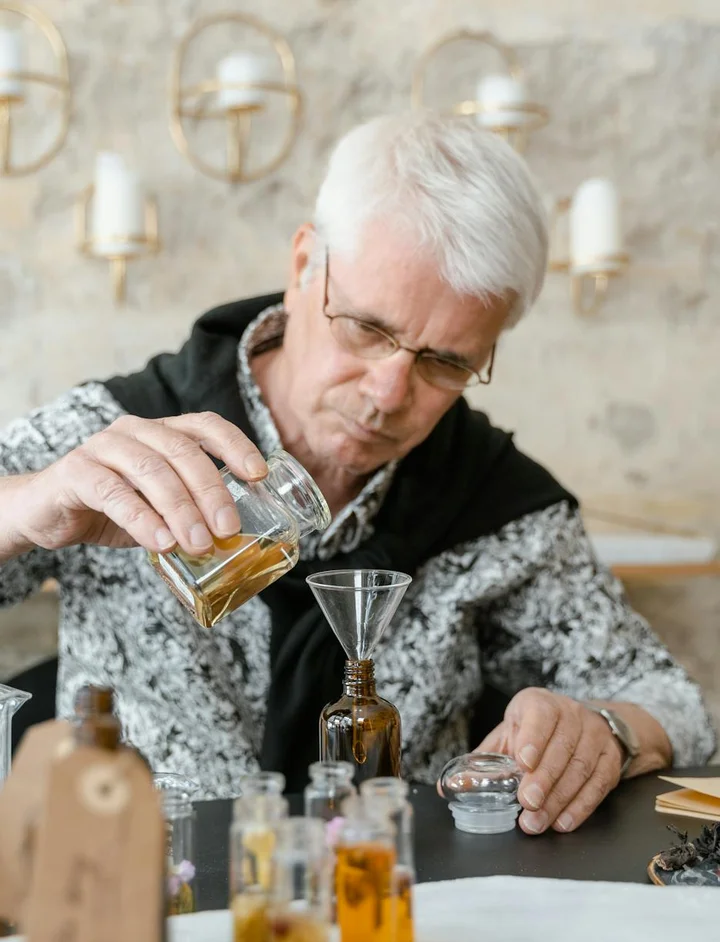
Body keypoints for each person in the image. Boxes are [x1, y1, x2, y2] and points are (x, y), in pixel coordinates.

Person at [0, 113, 714, 830]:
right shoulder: (116, 431)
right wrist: (26, 503)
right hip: (133, 896)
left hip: (402, 908)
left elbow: (673, 703)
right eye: (368, 329)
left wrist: (609, 733)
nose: (388, 394)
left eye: (444, 362)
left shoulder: (498, 502)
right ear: (305, 263)